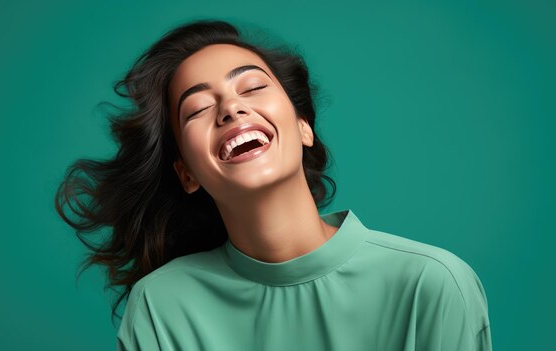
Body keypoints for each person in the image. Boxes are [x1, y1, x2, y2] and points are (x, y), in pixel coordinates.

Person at [55, 20, 492, 350]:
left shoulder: (431, 285)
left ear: (304, 128)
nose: (231, 109)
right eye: (198, 109)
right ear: (186, 173)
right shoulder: (160, 306)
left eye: (252, 87)